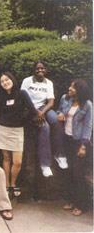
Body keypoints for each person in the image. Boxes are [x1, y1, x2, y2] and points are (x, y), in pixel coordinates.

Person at [0, 72, 37, 197]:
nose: (5, 83)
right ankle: (8, 185)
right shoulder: (0, 97)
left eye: (7, 79)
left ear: (12, 79)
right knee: (6, 159)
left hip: (17, 130)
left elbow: (32, 110)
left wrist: (22, 120)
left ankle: (13, 183)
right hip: (3, 129)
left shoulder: (22, 94)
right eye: (2, 82)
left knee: (17, 161)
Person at [21, 61, 64, 177]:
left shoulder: (48, 83)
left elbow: (51, 102)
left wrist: (42, 112)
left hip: (43, 108)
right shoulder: (27, 81)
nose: (40, 70)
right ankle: (45, 164)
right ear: (34, 70)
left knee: (55, 119)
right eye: (37, 68)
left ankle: (59, 154)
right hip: (30, 109)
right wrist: (36, 112)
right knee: (45, 128)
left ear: (46, 70)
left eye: (42, 68)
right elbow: (23, 98)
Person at [57, 79, 92, 216]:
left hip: (79, 142)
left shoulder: (87, 105)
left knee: (78, 174)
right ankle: (71, 200)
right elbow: (60, 110)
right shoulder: (66, 99)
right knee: (69, 172)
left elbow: (88, 126)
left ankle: (81, 205)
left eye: (73, 87)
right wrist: (59, 114)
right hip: (67, 139)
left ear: (80, 91)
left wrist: (83, 146)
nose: (69, 89)